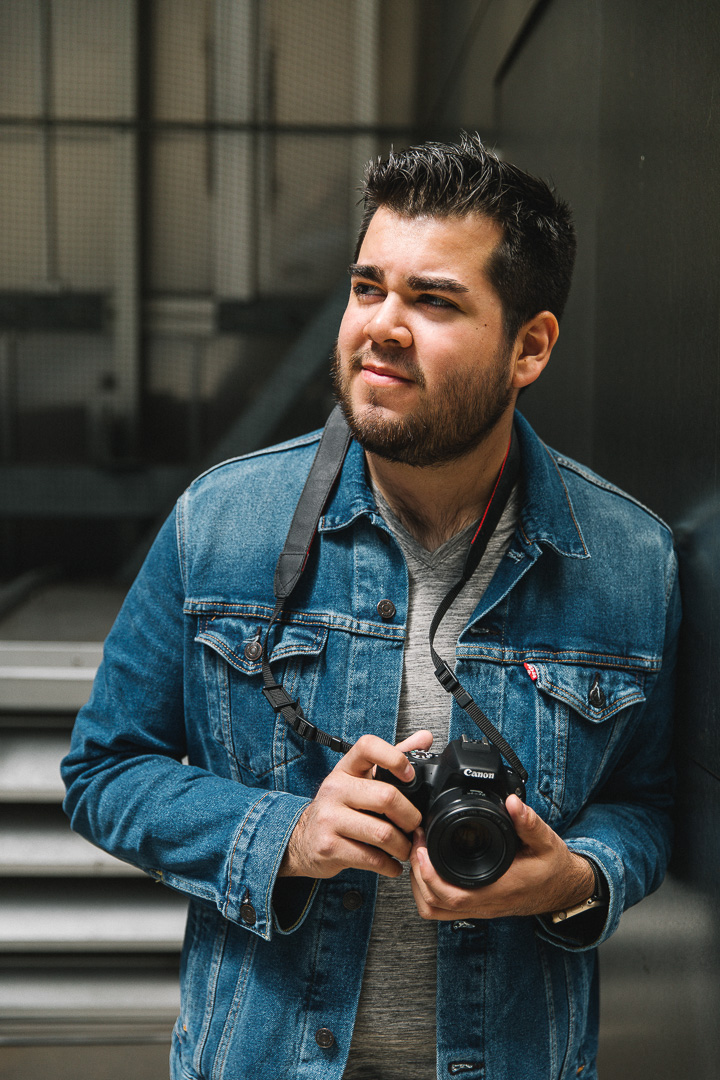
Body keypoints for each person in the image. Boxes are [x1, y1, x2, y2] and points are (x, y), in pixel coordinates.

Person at [62, 134, 680, 1080]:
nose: (381, 325)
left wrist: (579, 877)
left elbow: (646, 801)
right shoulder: (220, 524)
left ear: (531, 346)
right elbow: (105, 768)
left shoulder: (631, 562)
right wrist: (289, 834)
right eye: (367, 287)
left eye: (433, 300)